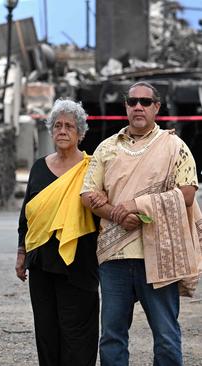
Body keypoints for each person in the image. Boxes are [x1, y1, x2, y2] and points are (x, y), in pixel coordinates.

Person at [81, 81, 202, 366]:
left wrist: (135, 206)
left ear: (156, 107)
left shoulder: (174, 146)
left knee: (166, 335)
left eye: (145, 102)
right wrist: (116, 214)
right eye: (132, 101)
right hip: (115, 257)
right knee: (112, 335)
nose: (138, 106)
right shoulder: (107, 148)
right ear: (125, 106)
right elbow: (87, 194)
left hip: (160, 254)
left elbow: (187, 193)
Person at [16, 98, 101, 366]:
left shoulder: (92, 169)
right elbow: (27, 213)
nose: (62, 131)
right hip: (41, 263)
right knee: (47, 332)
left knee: (78, 335)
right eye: (57, 126)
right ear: (51, 131)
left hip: (79, 264)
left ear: (81, 134)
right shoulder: (39, 167)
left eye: (69, 127)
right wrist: (21, 253)